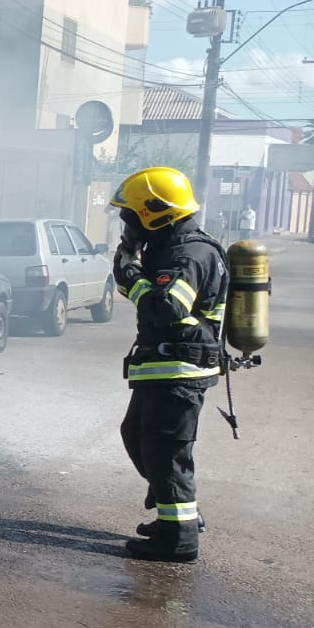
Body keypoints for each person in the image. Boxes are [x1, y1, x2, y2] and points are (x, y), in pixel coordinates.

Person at [110, 166, 230, 563]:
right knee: (137, 436)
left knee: (166, 453)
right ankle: (176, 515)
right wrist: (135, 270)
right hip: (163, 368)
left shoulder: (189, 254)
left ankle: (177, 541)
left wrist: (130, 273)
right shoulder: (170, 249)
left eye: (131, 217)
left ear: (155, 214)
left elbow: (166, 308)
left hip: (178, 370)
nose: (127, 227)